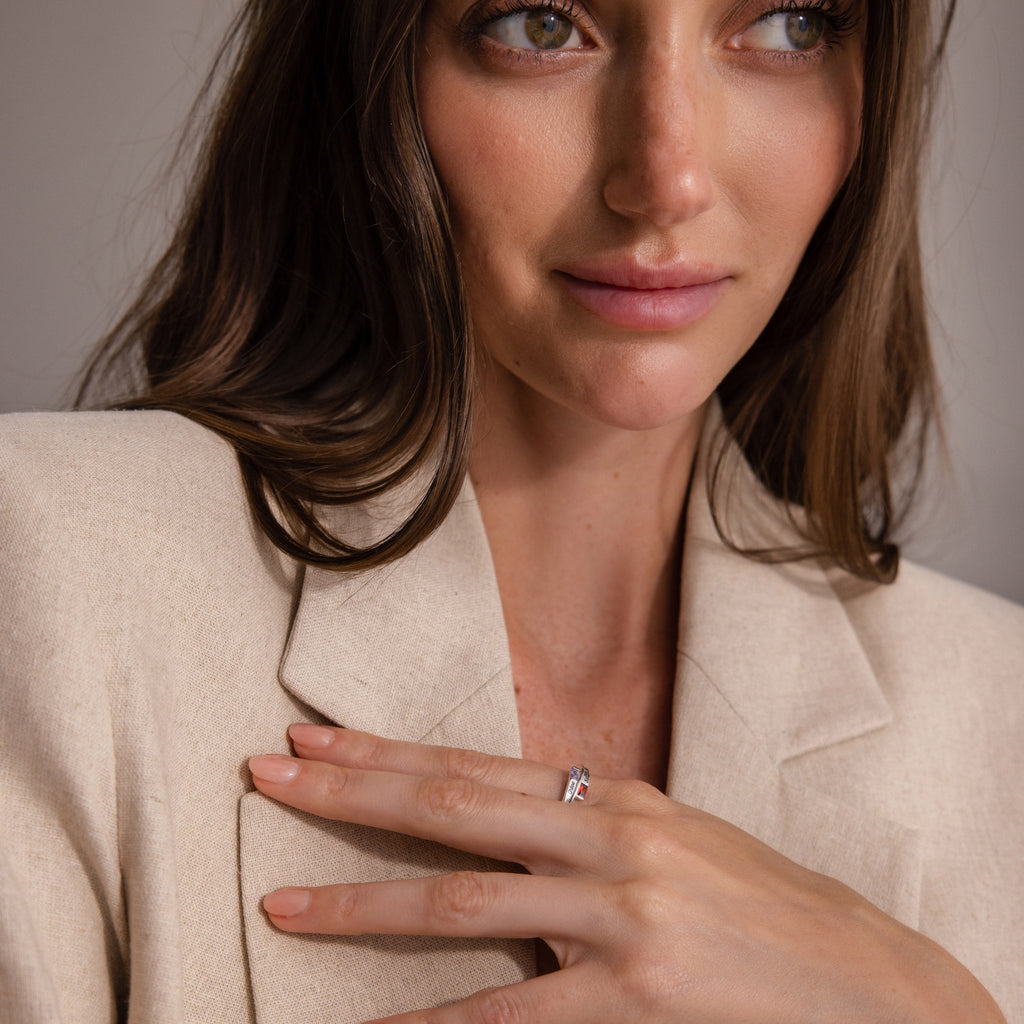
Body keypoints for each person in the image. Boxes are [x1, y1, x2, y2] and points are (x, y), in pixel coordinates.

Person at [0, 0, 1020, 1021]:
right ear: (373, 66)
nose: (667, 182)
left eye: (789, 26)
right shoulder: (51, 566)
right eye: (539, 25)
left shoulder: (998, 715)